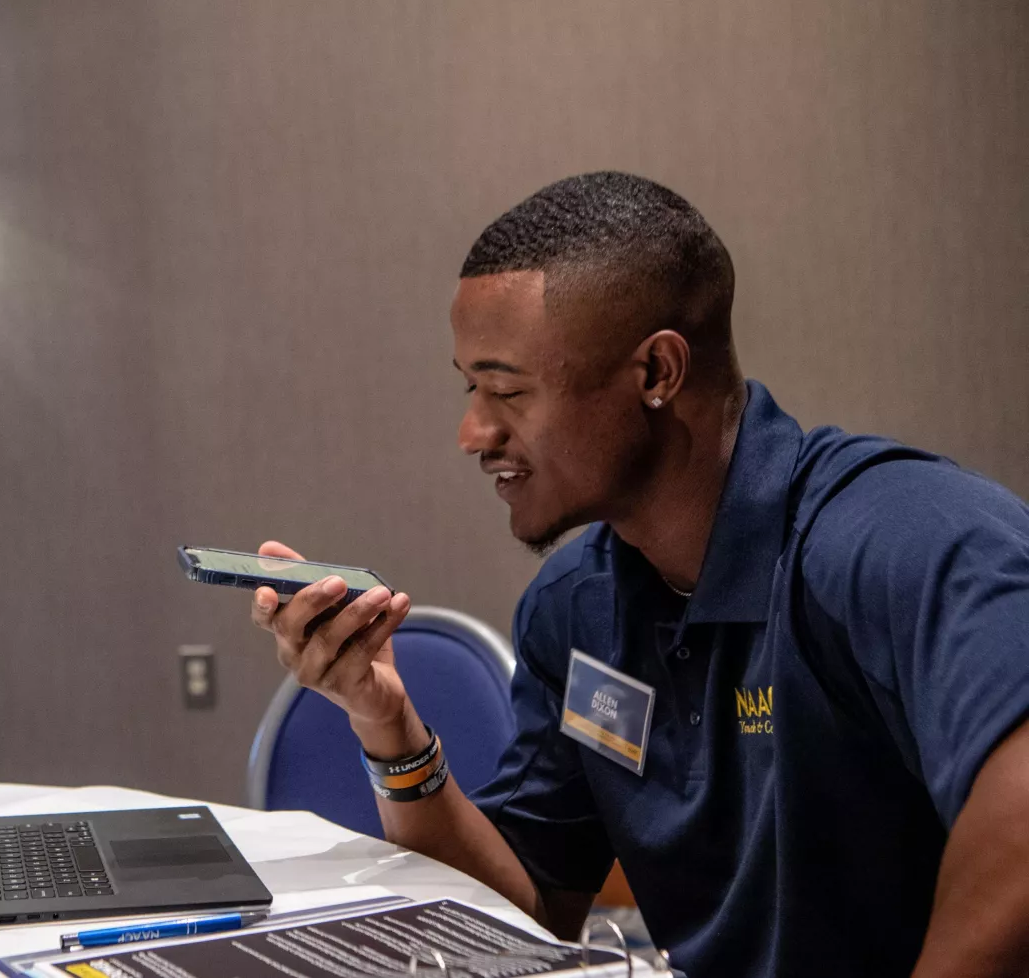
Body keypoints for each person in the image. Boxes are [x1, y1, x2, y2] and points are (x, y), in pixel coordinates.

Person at [248, 172, 1029, 978]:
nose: (472, 432)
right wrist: (387, 723)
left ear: (657, 372)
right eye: (471, 387)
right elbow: (529, 913)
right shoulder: (575, 608)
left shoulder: (904, 538)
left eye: (507, 390)